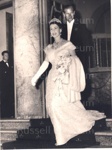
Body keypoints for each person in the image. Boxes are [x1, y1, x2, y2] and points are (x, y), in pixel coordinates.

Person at [31, 18, 106, 146]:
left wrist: (66, 65)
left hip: (65, 78)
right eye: (51, 29)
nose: (53, 31)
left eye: (55, 28)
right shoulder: (48, 48)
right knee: (51, 106)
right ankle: (60, 135)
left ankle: (66, 133)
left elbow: (75, 60)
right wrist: (35, 77)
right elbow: (46, 63)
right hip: (52, 78)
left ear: (60, 30)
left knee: (61, 105)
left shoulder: (68, 44)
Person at [62, 4, 93, 72]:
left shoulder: (82, 27)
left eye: (71, 13)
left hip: (78, 59)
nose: (69, 16)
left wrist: (80, 58)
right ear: (64, 14)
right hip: (64, 61)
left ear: (74, 13)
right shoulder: (61, 28)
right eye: (67, 13)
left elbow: (87, 46)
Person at [0, 51, 14, 118]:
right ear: (3, 56)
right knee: (4, 100)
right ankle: (3, 115)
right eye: (5, 55)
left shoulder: (11, 64)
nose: (7, 57)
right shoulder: (0, 64)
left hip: (10, 86)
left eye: (7, 55)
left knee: (9, 99)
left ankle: (9, 114)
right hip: (3, 86)